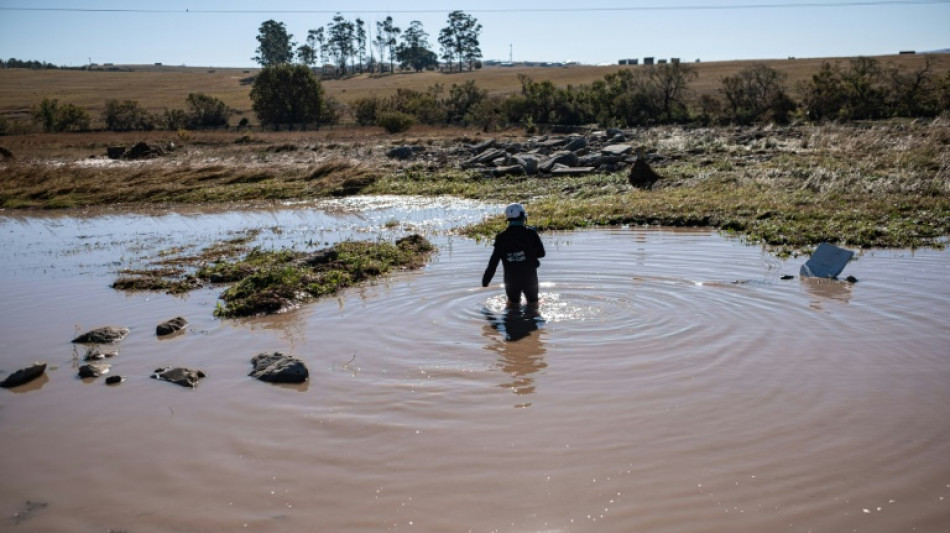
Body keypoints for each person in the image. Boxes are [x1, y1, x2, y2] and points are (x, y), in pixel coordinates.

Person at [481, 203, 546, 308]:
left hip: (511, 279)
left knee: (512, 306)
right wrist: (527, 254)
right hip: (529, 278)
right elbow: (542, 254)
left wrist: (486, 280)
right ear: (522, 216)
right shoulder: (531, 233)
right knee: (533, 305)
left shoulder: (501, 237)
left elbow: (494, 261)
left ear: (508, 219)